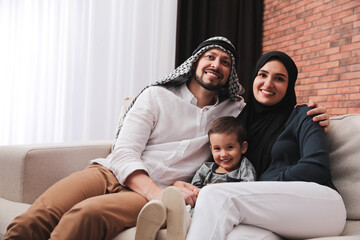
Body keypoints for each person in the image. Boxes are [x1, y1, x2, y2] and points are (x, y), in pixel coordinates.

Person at [4, 36, 329, 240]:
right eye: (211, 56)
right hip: (110, 173)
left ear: (231, 74)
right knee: (40, 213)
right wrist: (153, 190)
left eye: (226, 62)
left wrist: (313, 107)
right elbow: (124, 151)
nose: (216, 64)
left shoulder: (235, 111)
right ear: (196, 61)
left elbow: (271, 102)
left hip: (155, 191)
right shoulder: (157, 96)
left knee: (85, 216)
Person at [185, 51, 346, 240]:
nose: (268, 83)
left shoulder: (304, 115)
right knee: (236, 236)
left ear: (289, 86)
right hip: (274, 212)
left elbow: (316, 168)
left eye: (279, 78)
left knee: (215, 195)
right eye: (262, 75)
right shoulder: (239, 126)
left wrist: (261, 183)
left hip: (322, 206)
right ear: (253, 78)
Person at [191, 116, 256, 190]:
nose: (223, 154)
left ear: (243, 147)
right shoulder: (206, 169)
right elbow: (194, 189)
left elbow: (248, 190)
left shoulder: (244, 168)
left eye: (229, 147)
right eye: (217, 148)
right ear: (211, 150)